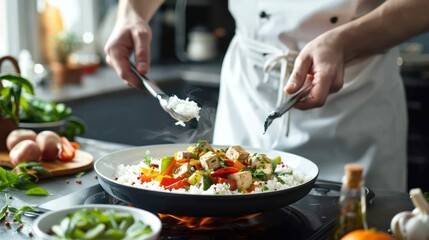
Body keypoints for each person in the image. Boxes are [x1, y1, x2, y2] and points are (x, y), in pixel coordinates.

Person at [105, 0, 429, 191]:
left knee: (357, 224)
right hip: (250, 84)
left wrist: (345, 42)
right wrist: (131, 11)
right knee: (228, 213)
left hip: (356, 92)